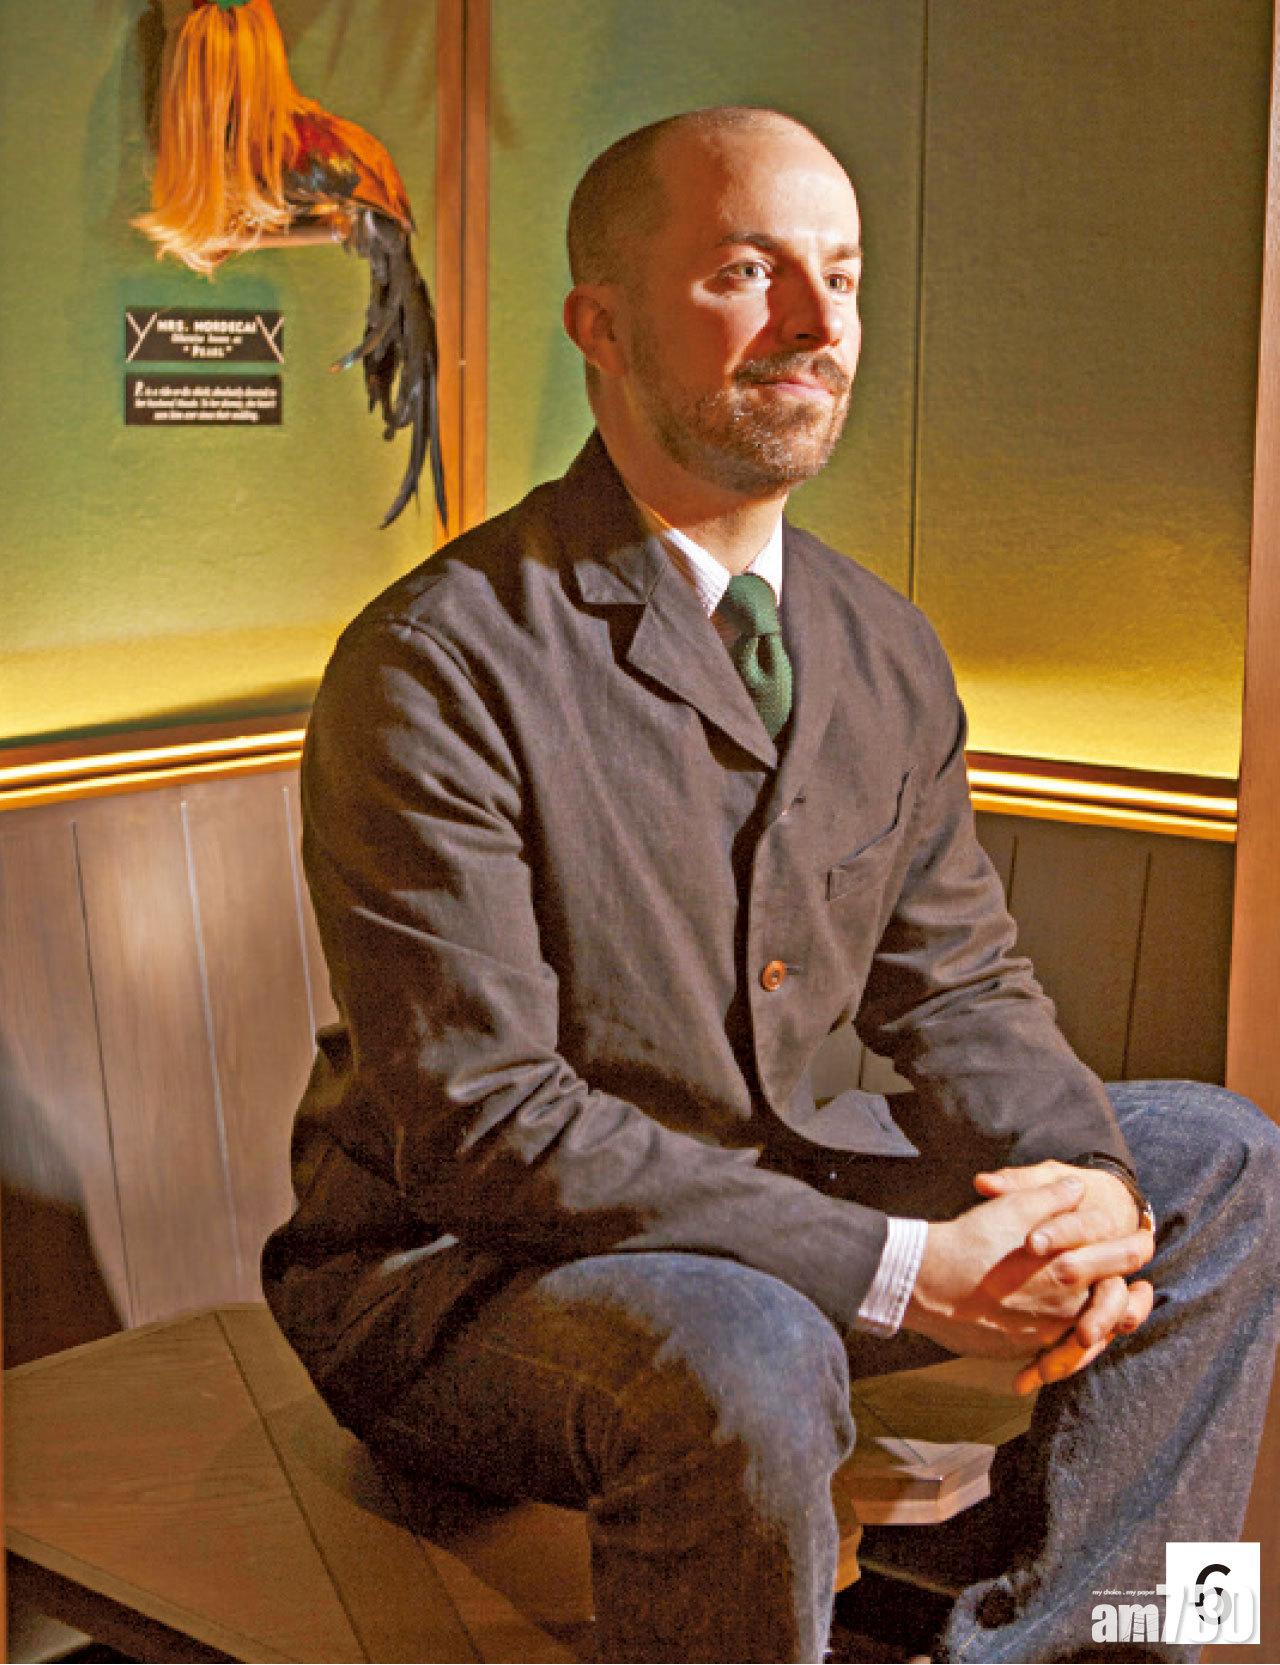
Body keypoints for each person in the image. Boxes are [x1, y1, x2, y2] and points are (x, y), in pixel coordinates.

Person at [262, 106, 1280, 1663]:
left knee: (1219, 1163)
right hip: (460, 1272)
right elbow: (483, 1126)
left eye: (843, 276)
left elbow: (963, 990)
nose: (816, 322)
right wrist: (906, 1272)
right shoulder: (433, 662)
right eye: (747, 271)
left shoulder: (882, 644)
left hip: (769, 1193)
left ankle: (1088, 1645)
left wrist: (1085, 1188)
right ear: (601, 328)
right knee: (748, 1339)